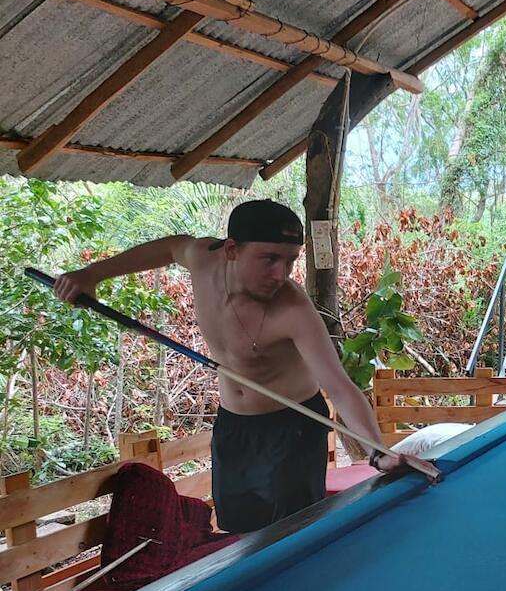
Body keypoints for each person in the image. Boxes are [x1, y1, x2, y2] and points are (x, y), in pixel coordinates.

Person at [54, 200, 421, 532]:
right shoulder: (202, 258)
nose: (282, 273)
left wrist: (378, 452)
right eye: (270, 259)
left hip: (292, 429)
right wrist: (92, 274)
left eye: (290, 261)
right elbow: (168, 246)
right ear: (231, 250)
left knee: (290, 536)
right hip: (233, 426)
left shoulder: (293, 309)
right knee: (238, 531)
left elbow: (339, 386)